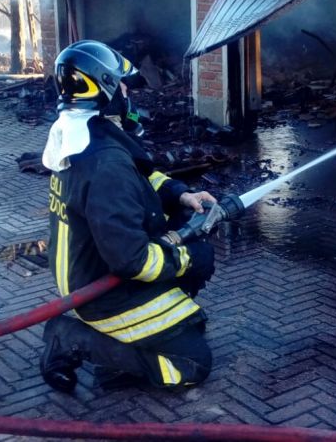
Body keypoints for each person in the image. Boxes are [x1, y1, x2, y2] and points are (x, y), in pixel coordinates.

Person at [40, 40, 218, 392]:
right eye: (121, 83)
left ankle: (130, 346)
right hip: (103, 293)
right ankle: (71, 338)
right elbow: (132, 261)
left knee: (193, 309)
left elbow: (141, 177)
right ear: (103, 87)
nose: (127, 90)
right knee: (191, 363)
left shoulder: (83, 137)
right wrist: (184, 256)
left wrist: (180, 193)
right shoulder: (106, 163)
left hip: (87, 278)